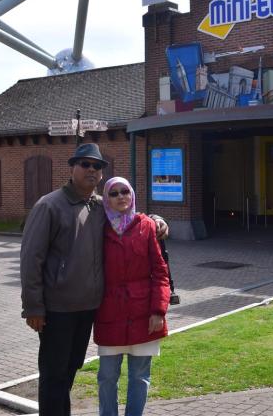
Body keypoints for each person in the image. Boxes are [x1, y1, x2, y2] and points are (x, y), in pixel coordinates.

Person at [20, 144, 168, 416]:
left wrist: (158, 220)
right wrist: (33, 307)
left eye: (97, 166)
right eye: (85, 164)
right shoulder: (49, 205)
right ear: (72, 167)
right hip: (57, 309)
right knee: (54, 374)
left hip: (88, 309)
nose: (91, 170)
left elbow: (131, 214)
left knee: (69, 370)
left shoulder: (101, 206)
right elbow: (31, 259)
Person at [94, 177, 169, 416]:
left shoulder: (146, 226)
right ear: (106, 199)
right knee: (107, 376)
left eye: (125, 191)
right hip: (110, 313)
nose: (120, 197)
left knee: (139, 376)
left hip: (143, 314)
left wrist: (158, 311)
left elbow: (160, 272)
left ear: (132, 195)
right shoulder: (99, 227)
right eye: (114, 193)